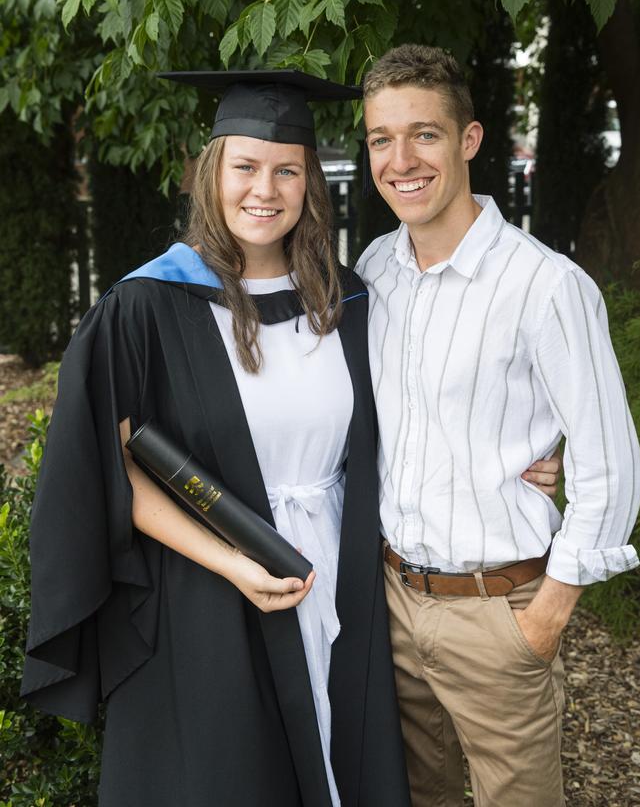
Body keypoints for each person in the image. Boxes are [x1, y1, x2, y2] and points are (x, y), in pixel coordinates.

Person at [21, 70, 412, 807]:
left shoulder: (348, 299)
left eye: (286, 170)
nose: (264, 190)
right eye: (245, 167)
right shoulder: (149, 304)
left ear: (310, 183)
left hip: (340, 577)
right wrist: (231, 562)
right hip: (208, 593)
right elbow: (109, 466)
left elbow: (410, 410)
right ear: (212, 173)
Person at [355, 44, 640, 807]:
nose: (400, 160)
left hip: (498, 613)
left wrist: (544, 619)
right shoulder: (375, 271)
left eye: (424, 134)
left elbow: (611, 462)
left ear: (469, 140)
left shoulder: (543, 285)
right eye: (381, 139)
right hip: (392, 601)